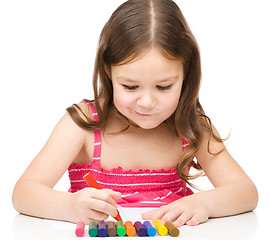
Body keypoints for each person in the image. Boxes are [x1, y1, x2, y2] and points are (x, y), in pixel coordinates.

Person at [12, 0, 258, 227]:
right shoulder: (84, 124)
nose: (147, 101)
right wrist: (69, 207)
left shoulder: (191, 127)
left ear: (186, 75)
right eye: (130, 86)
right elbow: (24, 192)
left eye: (163, 87)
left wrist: (205, 203)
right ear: (109, 72)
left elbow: (246, 191)